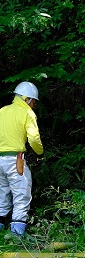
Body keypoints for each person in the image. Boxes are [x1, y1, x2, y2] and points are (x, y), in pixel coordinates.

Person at [0, 82, 44, 236]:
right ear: (26, 99)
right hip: (15, 161)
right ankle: (16, 237)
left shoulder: (2, 111)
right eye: (34, 102)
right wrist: (40, 152)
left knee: (2, 195)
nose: (34, 106)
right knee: (21, 194)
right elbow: (33, 139)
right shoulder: (27, 113)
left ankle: (2, 236)